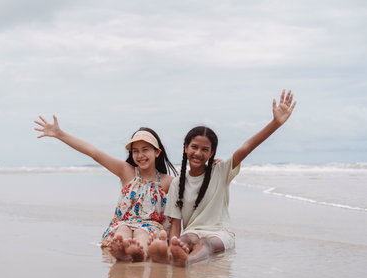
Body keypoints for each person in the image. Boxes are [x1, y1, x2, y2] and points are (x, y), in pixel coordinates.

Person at [148, 89, 297, 266]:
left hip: (220, 233)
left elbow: (246, 147)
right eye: (194, 147)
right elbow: (175, 223)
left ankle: (187, 261)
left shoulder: (221, 171)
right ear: (185, 147)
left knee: (206, 243)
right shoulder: (177, 183)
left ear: (212, 153)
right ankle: (172, 255)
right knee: (186, 239)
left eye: (205, 150)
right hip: (192, 231)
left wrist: (275, 123)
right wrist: (173, 243)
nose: (198, 153)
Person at [34, 115, 177, 262]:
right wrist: (60, 134)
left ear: (157, 152)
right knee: (122, 231)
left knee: (142, 233)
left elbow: (177, 213)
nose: (140, 155)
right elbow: (94, 152)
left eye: (145, 150)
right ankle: (123, 249)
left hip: (150, 228)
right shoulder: (127, 171)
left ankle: (138, 252)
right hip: (123, 223)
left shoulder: (167, 181)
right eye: (135, 151)